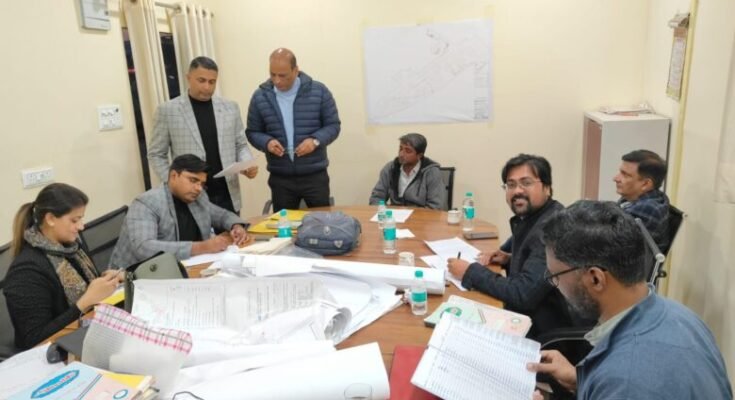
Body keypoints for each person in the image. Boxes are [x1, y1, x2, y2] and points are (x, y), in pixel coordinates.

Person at [528, 201, 731, 400]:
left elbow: (631, 384)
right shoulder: (684, 318)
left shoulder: (625, 381)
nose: (555, 283)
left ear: (595, 278)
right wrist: (582, 381)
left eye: (555, 276)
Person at [447, 154, 578, 337]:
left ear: (547, 188)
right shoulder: (534, 217)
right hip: (526, 317)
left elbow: (523, 294)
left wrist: (469, 272)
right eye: (511, 185)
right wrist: (509, 259)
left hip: (541, 332)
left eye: (526, 183)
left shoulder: (552, 229)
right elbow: (538, 268)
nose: (517, 191)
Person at [4, 183, 120, 349]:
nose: (81, 226)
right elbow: (34, 340)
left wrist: (109, 280)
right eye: (74, 220)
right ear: (50, 219)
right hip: (52, 352)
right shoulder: (25, 271)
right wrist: (85, 302)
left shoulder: (71, 247)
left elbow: (85, 284)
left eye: (81, 218)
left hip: (88, 333)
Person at [148, 56, 258, 214]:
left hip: (227, 193)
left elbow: (240, 144)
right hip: (189, 197)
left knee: (234, 230)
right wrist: (173, 182)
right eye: (201, 80)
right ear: (188, 78)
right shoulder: (167, 111)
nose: (207, 87)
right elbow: (156, 154)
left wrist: (246, 163)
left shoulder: (230, 108)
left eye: (212, 82)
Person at [110, 155, 249, 269]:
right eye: (193, 180)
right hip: (132, 279)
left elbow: (222, 215)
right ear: (173, 176)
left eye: (201, 183)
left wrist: (236, 226)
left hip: (184, 267)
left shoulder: (198, 198)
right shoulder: (147, 203)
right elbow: (144, 248)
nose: (198, 188)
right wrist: (202, 247)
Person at [246, 48, 340, 211]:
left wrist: (315, 141)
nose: (277, 81)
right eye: (272, 74)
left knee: (321, 221)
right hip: (280, 177)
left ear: (296, 71)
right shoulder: (260, 96)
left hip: (314, 175)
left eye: (283, 76)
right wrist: (267, 142)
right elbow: (253, 132)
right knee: (283, 224)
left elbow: (333, 125)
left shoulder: (319, 92)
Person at [369, 133, 446, 209]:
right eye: (401, 149)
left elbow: (436, 207)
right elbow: (376, 197)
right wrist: (383, 211)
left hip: (420, 215)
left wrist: (413, 215)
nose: (401, 154)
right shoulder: (390, 168)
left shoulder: (432, 172)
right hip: (394, 215)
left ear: (419, 155)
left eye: (408, 151)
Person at [614, 149, 670, 252]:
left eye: (625, 175)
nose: (616, 178)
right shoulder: (632, 197)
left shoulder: (648, 209)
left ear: (645, 184)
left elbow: (610, 241)